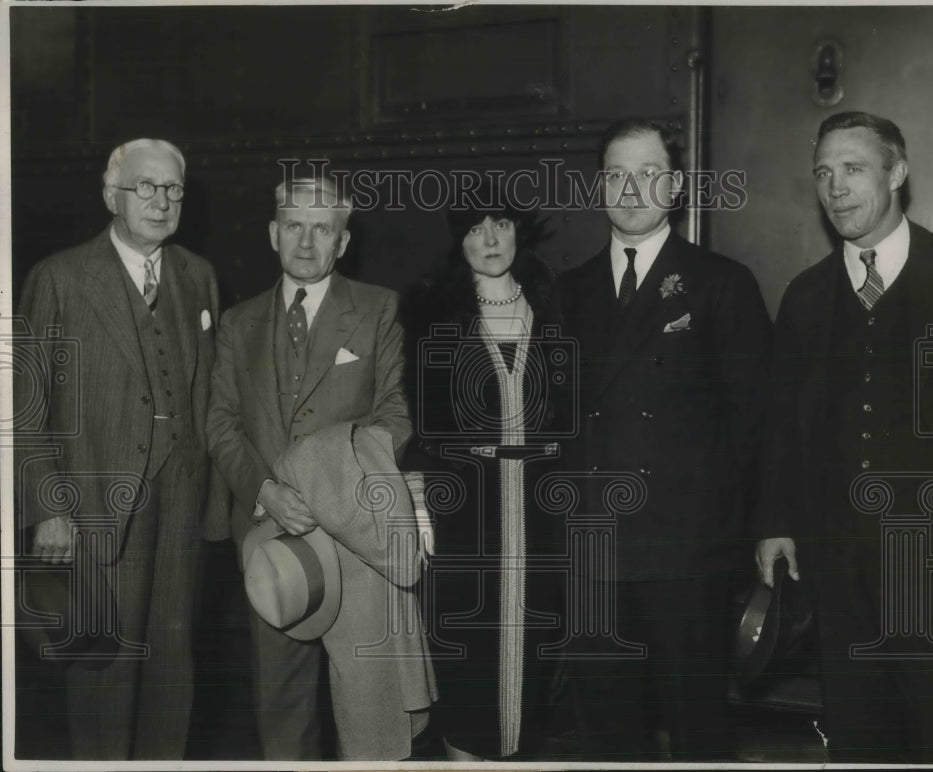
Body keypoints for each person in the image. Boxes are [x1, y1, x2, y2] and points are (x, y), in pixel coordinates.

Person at [755, 111, 933, 763]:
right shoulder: (806, 296)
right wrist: (775, 523)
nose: (835, 188)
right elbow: (781, 422)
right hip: (838, 569)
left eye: (853, 169)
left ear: (897, 172)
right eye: (823, 173)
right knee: (859, 740)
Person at [558, 118, 772, 760]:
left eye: (648, 174)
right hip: (594, 552)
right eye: (616, 175)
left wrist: (755, 529)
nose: (631, 190)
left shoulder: (720, 282)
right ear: (599, 188)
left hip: (687, 552)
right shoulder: (566, 292)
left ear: (676, 187)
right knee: (607, 734)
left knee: (698, 731)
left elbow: (756, 423)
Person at [205, 175, 432, 760]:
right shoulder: (237, 323)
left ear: (343, 241)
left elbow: (395, 416)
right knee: (282, 709)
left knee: (369, 705)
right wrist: (266, 492)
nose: (306, 242)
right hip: (269, 535)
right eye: (294, 227)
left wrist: (333, 490)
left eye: (322, 229)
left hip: (357, 540)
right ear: (273, 233)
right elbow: (222, 424)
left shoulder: (379, 309)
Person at [13, 138, 224, 759]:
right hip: (93, 505)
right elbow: (24, 404)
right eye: (145, 187)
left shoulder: (199, 276)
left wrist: (215, 507)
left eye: (173, 189)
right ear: (112, 196)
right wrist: (47, 507)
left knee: (172, 666)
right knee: (103, 667)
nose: (161, 201)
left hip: (182, 502)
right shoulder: (59, 277)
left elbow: (210, 395)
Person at [401, 195, 567, 760]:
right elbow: (418, 423)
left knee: (534, 660)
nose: (491, 239)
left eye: (501, 224)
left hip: (541, 518)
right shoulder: (432, 313)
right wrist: (421, 499)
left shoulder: (555, 305)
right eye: (475, 228)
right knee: (466, 662)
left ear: (520, 230)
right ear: (459, 240)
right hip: (465, 517)